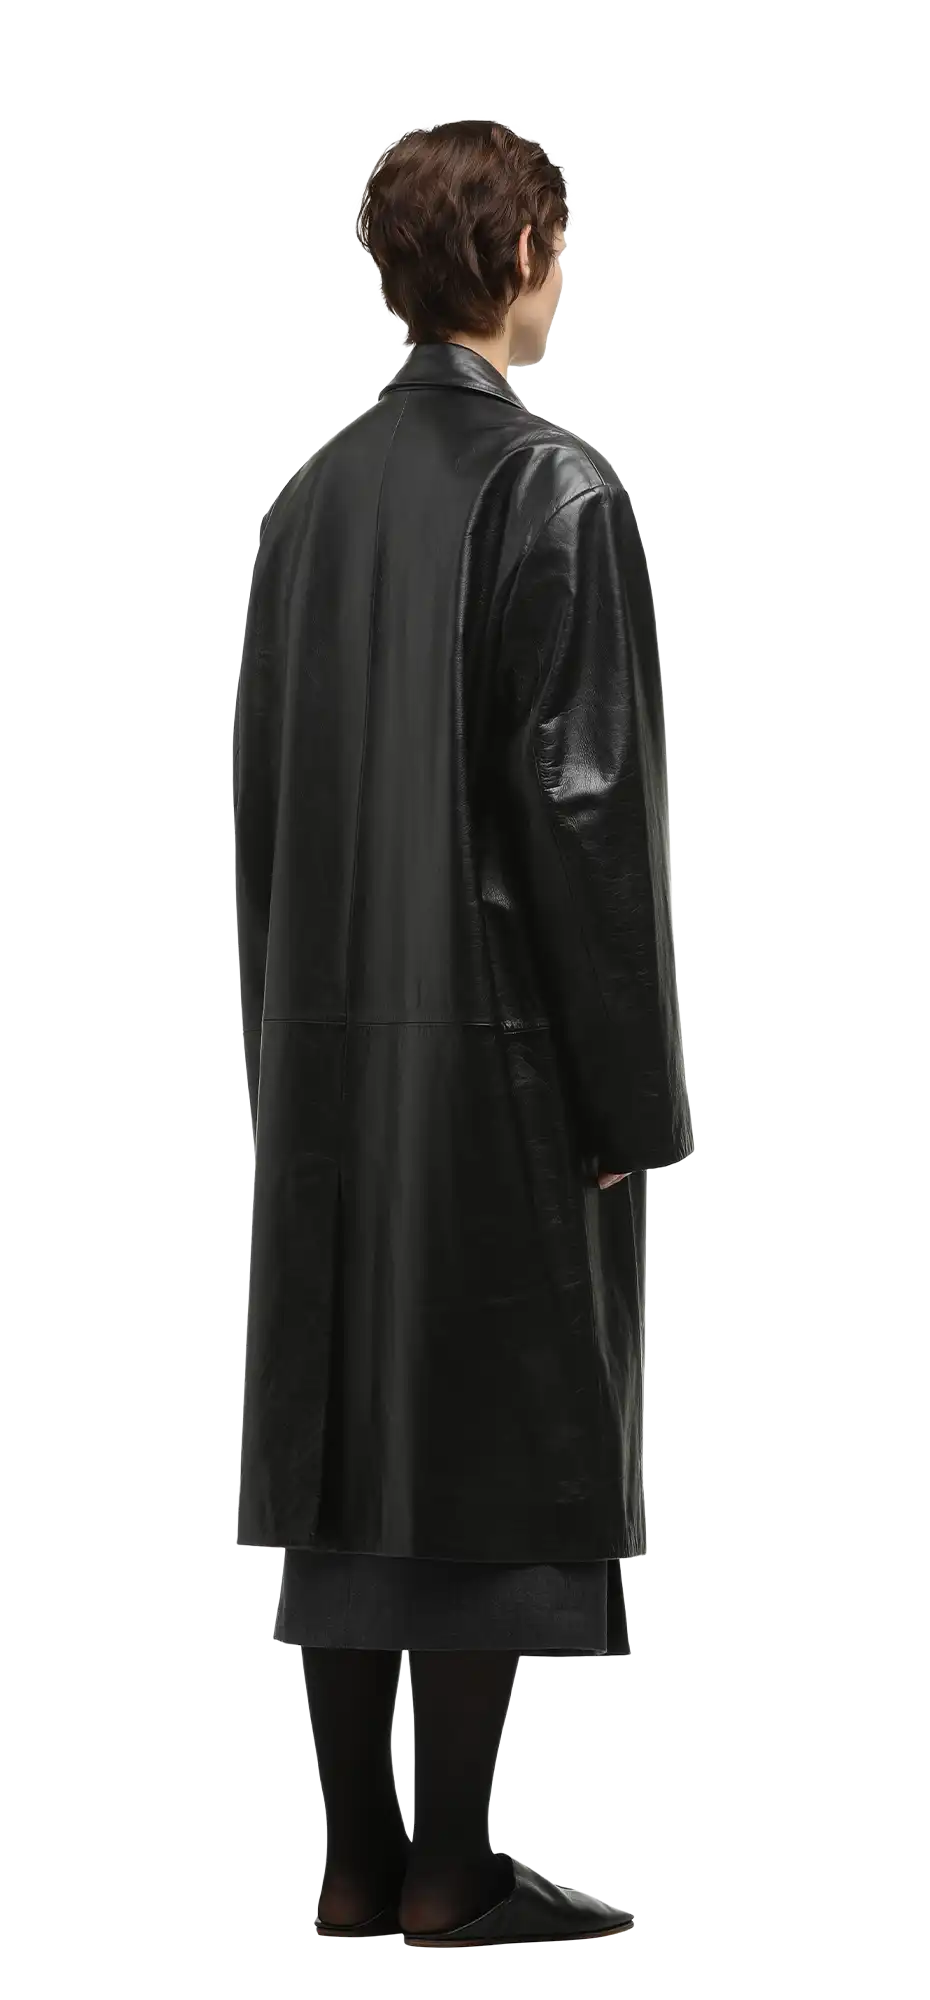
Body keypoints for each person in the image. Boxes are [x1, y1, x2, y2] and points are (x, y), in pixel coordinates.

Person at [232, 118, 695, 1946]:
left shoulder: (307, 503)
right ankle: (451, 1870)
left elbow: (263, 819)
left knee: (354, 1446)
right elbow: (587, 815)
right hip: (501, 1055)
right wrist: (625, 1101)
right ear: (516, 253)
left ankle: (356, 1863)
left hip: (330, 1064)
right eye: (555, 244)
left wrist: (282, 1068)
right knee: (483, 1448)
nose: (561, 276)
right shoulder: (552, 487)